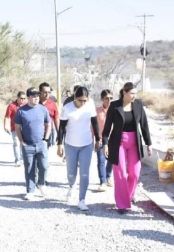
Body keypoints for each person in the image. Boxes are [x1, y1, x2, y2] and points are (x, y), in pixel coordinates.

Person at [102, 83, 152, 213]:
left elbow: (144, 125)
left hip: (134, 142)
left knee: (135, 172)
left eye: (135, 93)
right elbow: (107, 127)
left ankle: (128, 197)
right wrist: (105, 143)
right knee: (120, 173)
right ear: (124, 92)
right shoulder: (115, 106)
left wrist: (149, 144)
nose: (134, 96)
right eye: (131, 93)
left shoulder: (138, 104)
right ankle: (122, 204)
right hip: (118, 143)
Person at [57, 86, 100, 211]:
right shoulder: (67, 108)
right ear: (75, 97)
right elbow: (61, 128)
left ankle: (82, 199)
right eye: (80, 100)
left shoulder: (90, 106)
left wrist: (98, 140)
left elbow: (95, 123)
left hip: (86, 144)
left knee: (85, 173)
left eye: (85, 100)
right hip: (71, 144)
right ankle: (71, 186)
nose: (83, 103)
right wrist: (60, 144)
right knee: (71, 173)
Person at [14, 87, 51, 201]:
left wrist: (46, 139)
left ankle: (41, 183)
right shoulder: (21, 111)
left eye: (37, 96)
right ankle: (30, 190)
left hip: (41, 143)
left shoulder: (43, 109)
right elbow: (17, 127)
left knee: (44, 167)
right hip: (28, 145)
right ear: (28, 97)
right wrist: (21, 142)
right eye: (34, 96)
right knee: (29, 169)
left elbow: (48, 124)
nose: (36, 98)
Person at [39, 82, 60, 181]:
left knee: (44, 155)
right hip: (35, 133)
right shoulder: (34, 102)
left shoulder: (52, 104)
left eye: (49, 92)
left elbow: (56, 118)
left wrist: (59, 133)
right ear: (40, 92)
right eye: (44, 92)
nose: (47, 95)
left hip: (47, 133)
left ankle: (43, 178)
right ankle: (35, 177)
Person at [95, 89, 115, 192]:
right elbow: (93, 126)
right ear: (102, 99)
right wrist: (95, 140)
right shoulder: (97, 111)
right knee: (101, 160)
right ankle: (102, 182)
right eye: (107, 98)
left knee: (111, 160)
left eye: (111, 98)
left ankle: (108, 177)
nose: (109, 100)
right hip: (101, 140)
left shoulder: (116, 110)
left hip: (113, 140)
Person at [4, 91, 27, 166]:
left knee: (23, 143)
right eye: (21, 98)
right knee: (16, 143)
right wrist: (5, 126)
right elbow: (7, 116)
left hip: (25, 128)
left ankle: (23, 158)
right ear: (17, 97)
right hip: (15, 128)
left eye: (24, 98)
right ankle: (17, 159)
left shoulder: (26, 105)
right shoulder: (11, 106)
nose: (23, 100)